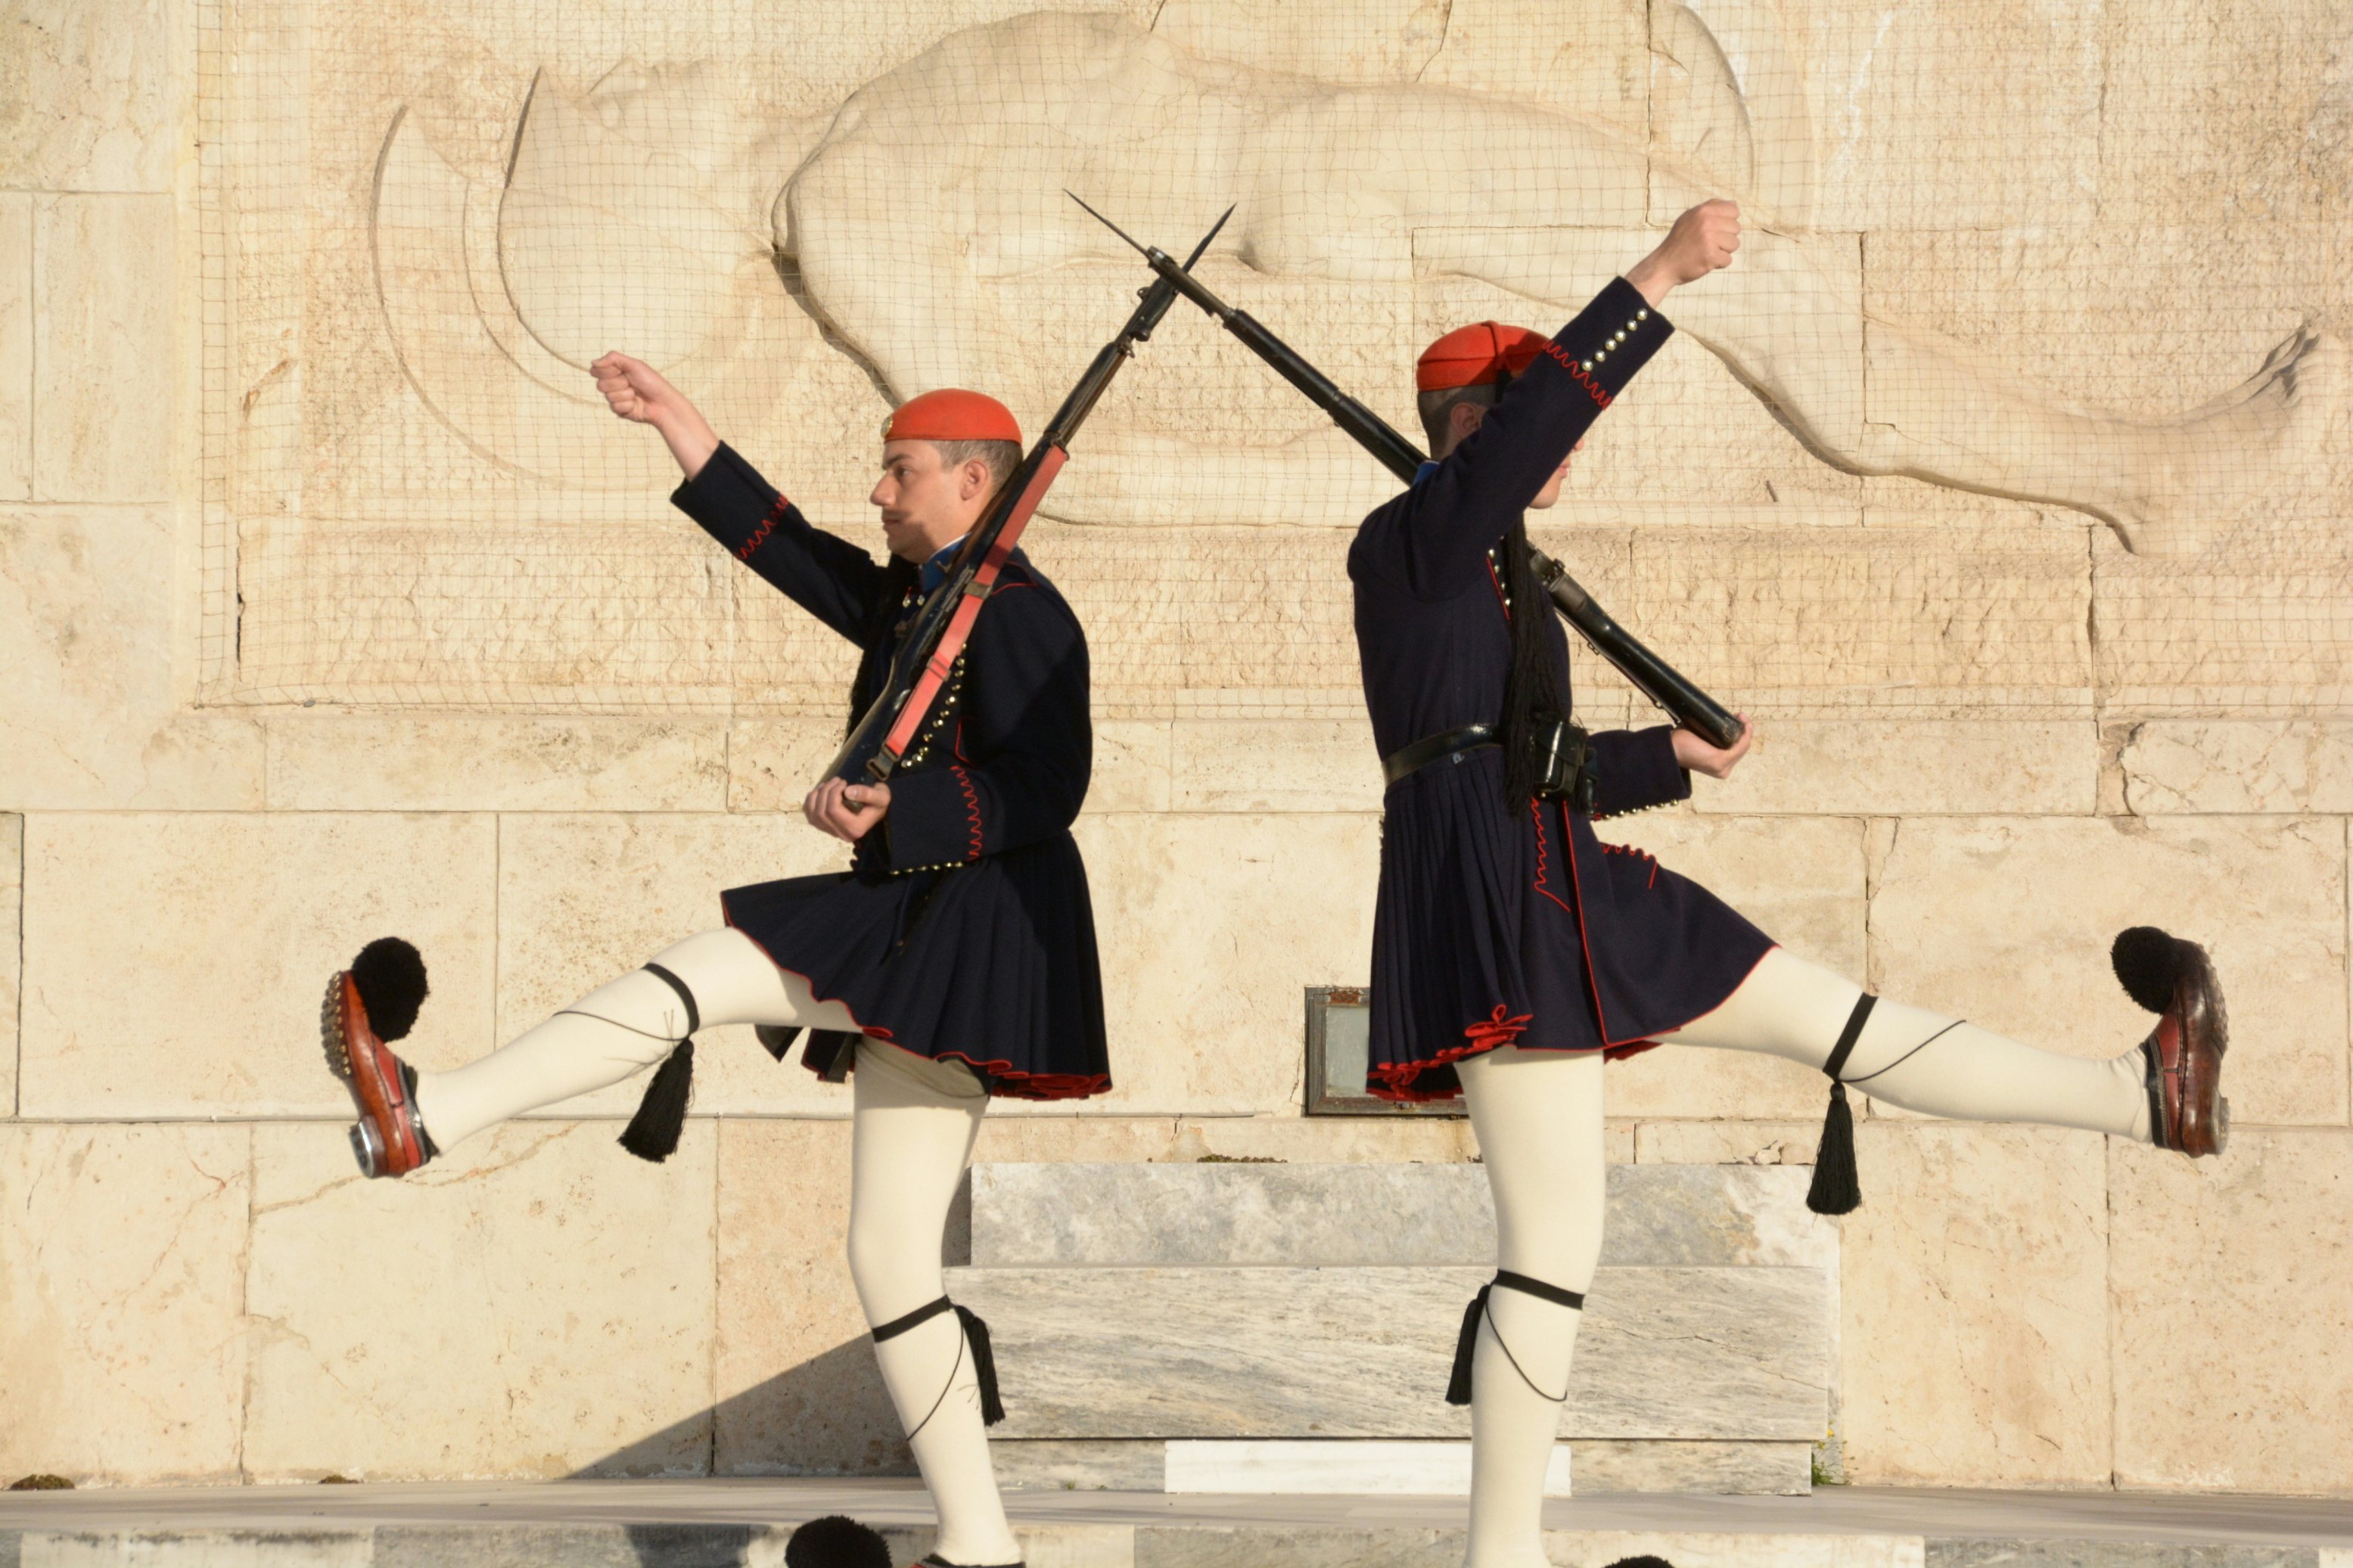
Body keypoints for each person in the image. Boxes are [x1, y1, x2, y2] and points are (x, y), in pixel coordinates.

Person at [1351, 198, 2228, 1568]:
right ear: (1472, 427)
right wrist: (1654, 278)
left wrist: (1669, 757)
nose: (1558, 449)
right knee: (1549, 1247)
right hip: (1497, 913)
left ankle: (2140, 1093)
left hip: (1570, 884)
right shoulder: (1409, 537)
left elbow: (1532, 760)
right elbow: (1473, 756)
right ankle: (1498, 1555)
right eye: (1531, 424)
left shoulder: (1485, 563)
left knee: (1842, 1024)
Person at [324, 361, 1108, 1568]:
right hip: (934, 922)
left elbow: (1048, 786)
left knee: (712, 966)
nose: (880, 489)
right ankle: (982, 1545)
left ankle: (430, 1114)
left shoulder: (1018, 611)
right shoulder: (927, 601)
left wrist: (894, 811)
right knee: (889, 1254)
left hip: (966, 921)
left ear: (969, 482)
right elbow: (797, 557)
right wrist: (683, 428)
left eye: (899, 471)